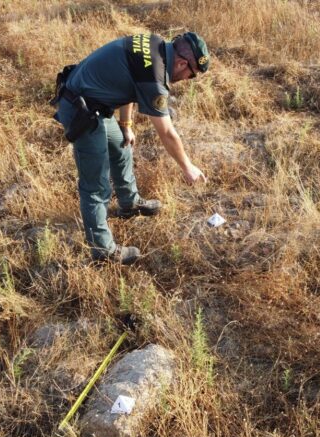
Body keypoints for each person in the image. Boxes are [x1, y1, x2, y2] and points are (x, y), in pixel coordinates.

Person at [52, 32, 210, 265]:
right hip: (81, 109)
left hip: (95, 102)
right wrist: (188, 167)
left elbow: (128, 81)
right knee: (96, 186)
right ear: (181, 63)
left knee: (122, 146)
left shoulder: (155, 44)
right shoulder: (155, 77)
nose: (187, 79)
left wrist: (126, 125)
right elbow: (167, 132)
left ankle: (130, 204)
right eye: (191, 75)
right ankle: (103, 251)